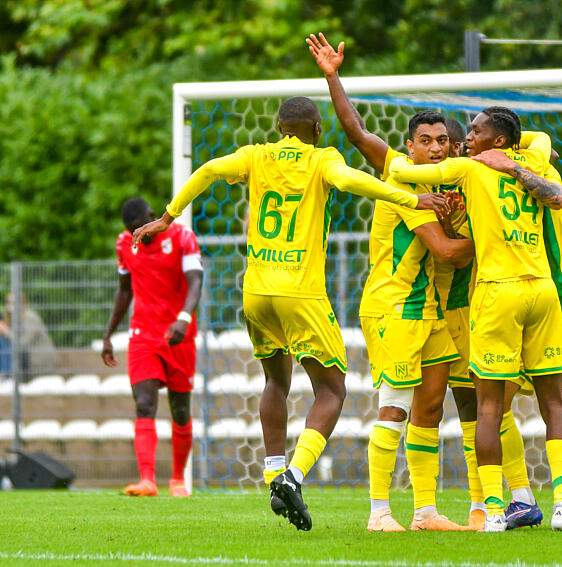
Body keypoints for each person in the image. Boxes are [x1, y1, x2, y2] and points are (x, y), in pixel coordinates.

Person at [132, 96, 450, 531]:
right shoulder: (322, 159)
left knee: (275, 381)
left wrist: (167, 217)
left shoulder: (256, 155)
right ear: (317, 129)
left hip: (256, 290)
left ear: (279, 126)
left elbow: (206, 171)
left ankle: (272, 472)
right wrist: (411, 200)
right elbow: (354, 181)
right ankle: (294, 476)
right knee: (332, 390)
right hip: (300, 292)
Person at [308, 33, 475, 532]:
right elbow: (356, 130)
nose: (435, 148)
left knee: (430, 405)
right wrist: (333, 76)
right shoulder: (402, 182)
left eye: (442, 141)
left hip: (427, 308)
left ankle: (425, 511)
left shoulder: (450, 182)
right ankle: (379, 511)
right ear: (410, 146)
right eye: (425, 140)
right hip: (392, 306)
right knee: (397, 407)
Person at [390, 106, 562, 532]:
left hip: (498, 291)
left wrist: (405, 163)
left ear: (494, 141)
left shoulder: (467, 171)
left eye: (474, 131)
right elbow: (548, 165)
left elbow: (404, 176)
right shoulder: (533, 163)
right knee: (553, 401)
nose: (465, 138)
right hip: (543, 290)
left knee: (489, 406)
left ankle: (494, 510)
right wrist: (510, 159)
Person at [475, 138, 562, 529]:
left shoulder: (517, 172)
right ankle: (524, 498)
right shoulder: (533, 166)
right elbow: (539, 138)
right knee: (504, 403)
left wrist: (500, 155)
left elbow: (533, 139)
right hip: (534, 301)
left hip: (559, 303)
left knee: (559, 404)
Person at [102, 197, 204, 498]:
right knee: (144, 403)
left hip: (178, 333)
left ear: (152, 217)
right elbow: (124, 291)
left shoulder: (183, 238)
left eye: (140, 230)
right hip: (143, 334)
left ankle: (177, 480)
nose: (138, 237)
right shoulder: (125, 244)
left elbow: (196, 282)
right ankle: (147, 480)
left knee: (181, 409)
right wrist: (108, 334)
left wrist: (184, 318)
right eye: (131, 231)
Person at [4, 293, 58, 379]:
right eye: (9, 303)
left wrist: (5, 331)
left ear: (23, 303)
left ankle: (8, 378)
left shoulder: (30, 317)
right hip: (27, 361)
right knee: (1, 342)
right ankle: (3, 377)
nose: (12, 306)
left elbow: (24, 343)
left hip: (40, 363)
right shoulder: (15, 319)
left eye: (15, 303)